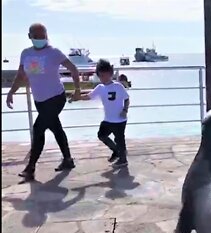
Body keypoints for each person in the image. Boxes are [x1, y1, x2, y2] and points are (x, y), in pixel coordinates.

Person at [6, 23, 81, 180]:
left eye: (43, 36)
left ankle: (30, 167)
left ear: (47, 36)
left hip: (56, 97)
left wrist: (77, 90)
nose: (41, 39)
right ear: (30, 37)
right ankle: (68, 160)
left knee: (38, 129)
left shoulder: (54, 52)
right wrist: (11, 92)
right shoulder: (26, 53)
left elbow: (73, 69)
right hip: (39, 100)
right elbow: (21, 75)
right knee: (56, 128)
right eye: (37, 36)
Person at [71, 59, 130, 168]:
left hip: (120, 120)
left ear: (111, 74)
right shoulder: (100, 88)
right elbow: (89, 96)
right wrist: (77, 98)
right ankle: (116, 151)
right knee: (101, 135)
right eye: (101, 76)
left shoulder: (118, 86)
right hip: (108, 119)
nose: (103, 78)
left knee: (119, 139)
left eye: (105, 75)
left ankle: (123, 159)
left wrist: (125, 110)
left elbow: (127, 99)